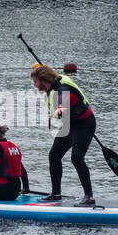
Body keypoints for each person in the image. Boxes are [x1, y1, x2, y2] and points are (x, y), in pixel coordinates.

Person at [30, 63, 95, 206]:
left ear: (43, 80)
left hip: (84, 124)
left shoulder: (63, 91)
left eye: (35, 81)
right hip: (70, 124)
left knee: (77, 158)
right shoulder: (55, 82)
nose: (34, 85)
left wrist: (55, 115)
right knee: (54, 155)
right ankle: (56, 194)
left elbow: (64, 106)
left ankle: (89, 197)